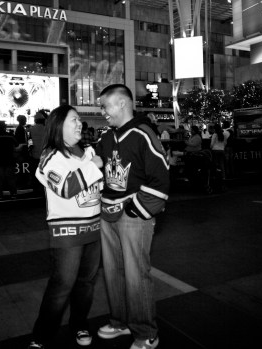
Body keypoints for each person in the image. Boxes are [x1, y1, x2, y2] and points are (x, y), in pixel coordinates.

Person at [95, 84, 170, 349]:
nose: (102, 112)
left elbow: (161, 178)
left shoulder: (143, 134)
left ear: (122, 103)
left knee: (136, 275)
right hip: (108, 214)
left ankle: (146, 333)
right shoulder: (107, 137)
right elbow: (98, 165)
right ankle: (120, 321)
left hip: (133, 215)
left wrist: (135, 208)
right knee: (113, 273)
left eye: (105, 106)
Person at [27, 105, 104, 349]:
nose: (79, 123)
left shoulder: (88, 152)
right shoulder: (51, 156)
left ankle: (79, 324)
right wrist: (94, 166)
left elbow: (98, 191)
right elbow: (67, 188)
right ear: (58, 125)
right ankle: (41, 336)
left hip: (94, 229)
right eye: (74, 120)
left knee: (86, 284)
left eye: (80, 119)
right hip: (67, 233)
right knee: (61, 287)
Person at [28, 110, 48, 193]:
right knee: (44, 174)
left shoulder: (31, 129)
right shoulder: (47, 129)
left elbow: (30, 143)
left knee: (35, 174)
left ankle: (36, 190)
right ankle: (44, 190)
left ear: (35, 120)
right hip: (45, 156)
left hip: (35, 155)